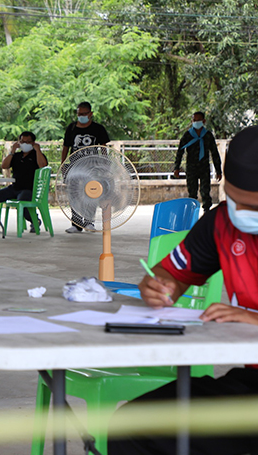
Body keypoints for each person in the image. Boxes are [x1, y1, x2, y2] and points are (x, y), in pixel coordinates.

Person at [108, 125, 258, 455]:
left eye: (254, 208)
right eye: (235, 201)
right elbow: (171, 274)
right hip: (251, 388)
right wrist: (161, 286)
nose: (243, 215)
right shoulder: (222, 224)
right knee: (133, 427)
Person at [61, 101, 110, 233]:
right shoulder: (71, 128)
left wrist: (105, 163)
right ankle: (76, 224)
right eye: (79, 114)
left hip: (92, 167)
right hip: (74, 167)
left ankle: (89, 222)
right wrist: (63, 164)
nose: (81, 116)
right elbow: (66, 147)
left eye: (84, 114)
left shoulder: (98, 129)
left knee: (92, 192)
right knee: (74, 194)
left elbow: (103, 147)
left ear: (90, 114)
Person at [0, 131, 48, 233]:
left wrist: (38, 150)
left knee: (23, 201)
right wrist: (12, 150)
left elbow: (43, 165)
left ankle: (34, 220)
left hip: (29, 189)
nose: (25, 144)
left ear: (33, 143)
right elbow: (4, 166)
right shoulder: (16, 156)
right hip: (15, 187)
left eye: (28, 142)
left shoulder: (37, 155)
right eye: (22, 142)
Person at [173, 111, 222, 212]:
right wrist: (176, 167)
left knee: (205, 191)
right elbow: (180, 152)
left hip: (204, 167)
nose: (195, 122)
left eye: (198, 120)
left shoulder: (208, 135)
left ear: (203, 121)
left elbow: (214, 153)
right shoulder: (187, 135)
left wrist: (218, 170)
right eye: (194, 120)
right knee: (192, 192)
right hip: (191, 168)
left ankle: (206, 212)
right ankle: (192, 213)